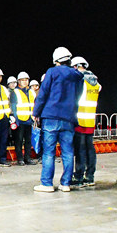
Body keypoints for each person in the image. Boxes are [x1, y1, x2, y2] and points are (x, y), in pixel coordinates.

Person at [32, 47, 83, 193]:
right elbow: (78, 96)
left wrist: (36, 112)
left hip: (51, 117)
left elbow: (43, 93)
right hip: (68, 118)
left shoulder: (52, 72)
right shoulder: (77, 76)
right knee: (68, 152)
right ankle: (65, 184)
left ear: (56, 60)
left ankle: (47, 184)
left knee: (49, 152)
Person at [70, 56, 101, 188]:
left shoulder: (80, 81)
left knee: (80, 150)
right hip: (90, 120)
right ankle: (90, 176)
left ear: (76, 67)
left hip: (79, 120)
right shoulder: (95, 82)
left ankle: (78, 177)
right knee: (90, 149)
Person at [10, 72, 37, 166]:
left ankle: (27, 158)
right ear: (19, 81)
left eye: (26, 80)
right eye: (23, 80)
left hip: (29, 120)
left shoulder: (31, 92)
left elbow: (34, 105)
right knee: (19, 141)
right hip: (19, 120)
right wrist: (14, 119)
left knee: (28, 141)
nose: (25, 82)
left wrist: (35, 116)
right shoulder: (15, 92)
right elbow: (13, 106)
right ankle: (20, 159)